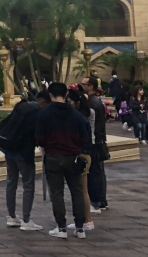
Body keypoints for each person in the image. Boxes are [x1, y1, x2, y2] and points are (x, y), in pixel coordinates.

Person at [35, 82, 92, 239]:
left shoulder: (44, 114)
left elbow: (39, 138)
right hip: (73, 157)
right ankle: (80, 228)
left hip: (53, 156)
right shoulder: (76, 115)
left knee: (57, 193)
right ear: (66, 95)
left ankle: (61, 227)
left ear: (51, 95)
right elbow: (85, 137)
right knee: (77, 192)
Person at [0, 100, 43, 231]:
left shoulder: (21, 106)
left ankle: (11, 216)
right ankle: (26, 219)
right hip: (23, 152)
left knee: (11, 181)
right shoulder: (36, 113)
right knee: (28, 184)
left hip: (9, 148)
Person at [67, 89, 97, 233]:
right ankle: (86, 220)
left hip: (81, 155)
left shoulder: (79, 117)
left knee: (82, 190)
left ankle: (87, 220)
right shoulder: (88, 113)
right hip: (86, 154)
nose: (68, 104)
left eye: (70, 101)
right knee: (82, 189)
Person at [81, 76, 109, 211]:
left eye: (84, 84)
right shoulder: (96, 101)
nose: (82, 86)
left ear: (90, 86)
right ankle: (102, 200)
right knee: (99, 172)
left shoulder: (92, 103)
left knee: (94, 172)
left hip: (95, 141)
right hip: (99, 139)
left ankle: (97, 201)